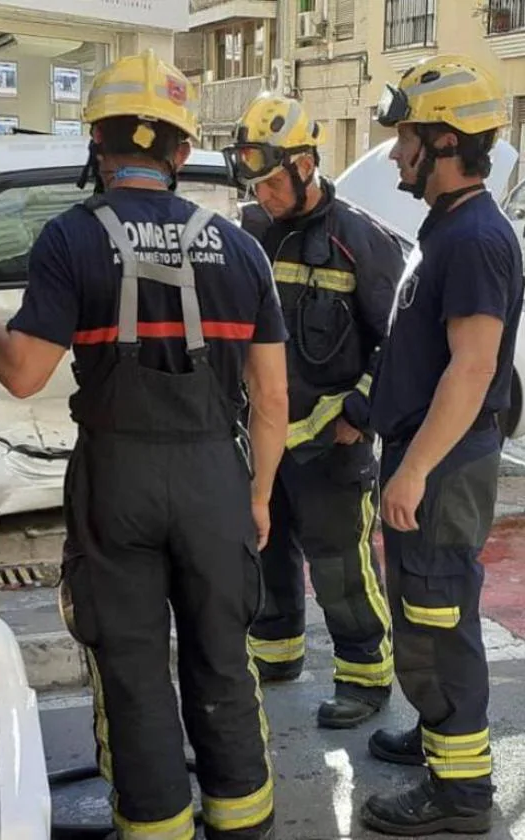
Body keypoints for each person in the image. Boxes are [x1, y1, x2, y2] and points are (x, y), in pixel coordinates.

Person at [0, 50, 288, 840]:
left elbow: (21, 373)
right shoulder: (244, 248)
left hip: (117, 475)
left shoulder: (69, 240)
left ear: (99, 145)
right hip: (213, 475)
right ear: (182, 153)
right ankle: (244, 818)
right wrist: (256, 498)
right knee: (223, 652)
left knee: (131, 665)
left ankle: (156, 826)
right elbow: (274, 398)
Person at [359, 54, 524, 836]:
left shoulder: (475, 239)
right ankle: (437, 738)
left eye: (406, 138)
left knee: (435, 619)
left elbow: (475, 365)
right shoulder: (448, 230)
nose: (396, 152)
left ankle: (458, 794)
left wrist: (415, 468)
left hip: (443, 464)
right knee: (421, 612)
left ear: (446, 142)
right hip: (427, 453)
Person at [222, 93, 402, 730]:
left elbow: (397, 343)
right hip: (265, 440)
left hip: (333, 441)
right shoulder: (248, 233)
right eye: (256, 183)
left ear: (305, 165)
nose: (264, 194)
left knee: (340, 564)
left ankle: (364, 675)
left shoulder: (361, 241)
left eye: (273, 180)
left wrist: (359, 412)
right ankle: (277, 651)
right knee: (267, 549)